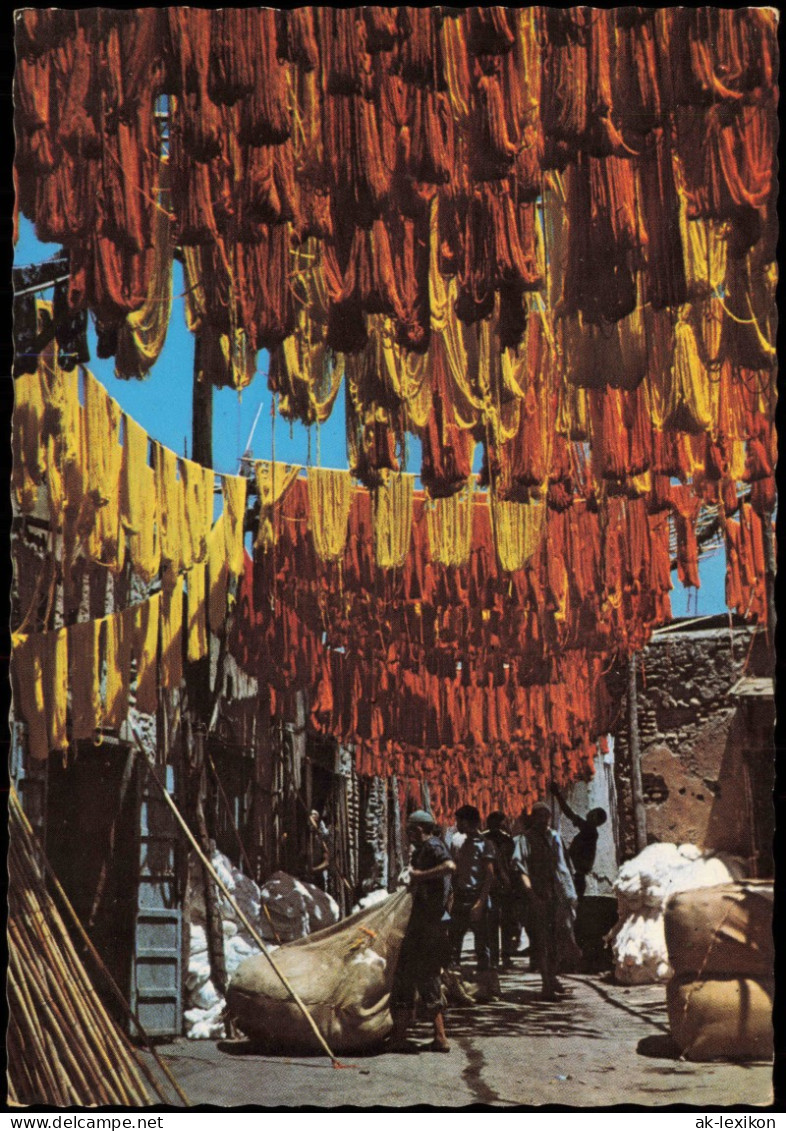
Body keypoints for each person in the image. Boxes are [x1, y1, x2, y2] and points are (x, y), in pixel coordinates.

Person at [389, 809, 455, 1054]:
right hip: (430, 924)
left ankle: (409, 1036)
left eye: (410, 831)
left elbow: (449, 867)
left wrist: (419, 876)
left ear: (418, 830)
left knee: (410, 977)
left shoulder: (432, 847)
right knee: (426, 978)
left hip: (425, 927)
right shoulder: (428, 848)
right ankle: (436, 1037)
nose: (408, 836)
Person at [512, 801, 582, 1001]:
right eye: (539, 816)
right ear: (533, 817)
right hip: (538, 897)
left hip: (556, 896)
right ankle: (546, 983)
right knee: (541, 942)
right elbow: (520, 868)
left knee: (558, 939)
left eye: (546, 816)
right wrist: (531, 895)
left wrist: (569, 894)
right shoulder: (525, 840)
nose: (543, 820)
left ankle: (553, 978)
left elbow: (562, 867)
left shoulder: (554, 837)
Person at [448, 804, 498, 1000]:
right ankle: (455, 987)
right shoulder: (462, 843)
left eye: (460, 820)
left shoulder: (485, 844)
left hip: (477, 897)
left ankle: (487, 988)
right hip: (461, 897)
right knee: (454, 944)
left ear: (468, 821)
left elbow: (489, 876)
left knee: (482, 945)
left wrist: (480, 903)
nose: (457, 824)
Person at [550, 785, 608, 902]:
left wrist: (557, 795)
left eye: (593, 814)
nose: (590, 812)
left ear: (596, 821)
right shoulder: (589, 831)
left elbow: (570, 813)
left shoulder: (589, 830)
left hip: (576, 876)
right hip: (576, 875)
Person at [482, 810, 519, 969]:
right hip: (492, 885)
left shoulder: (507, 840)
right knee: (493, 922)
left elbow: (512, 863)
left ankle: (504, 956)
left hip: (505, 885)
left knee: (505, 922)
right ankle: (497, 958)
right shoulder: (484, 840)